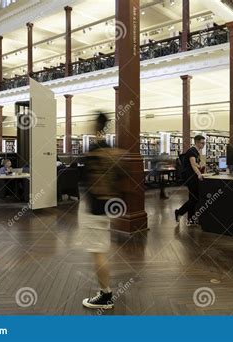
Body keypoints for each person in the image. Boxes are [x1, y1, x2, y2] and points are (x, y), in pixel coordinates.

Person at [82, 112, 125, 310]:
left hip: (94, 207)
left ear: (95, 127)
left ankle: (106, 295)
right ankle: (104, 291)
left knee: (98, 252)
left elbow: (83, 179)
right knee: (100, 249)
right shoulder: (113, 152)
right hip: (107, 205)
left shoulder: (93, 151)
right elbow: (120, 179)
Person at [175, 135, 205, 225]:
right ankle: (179, 212)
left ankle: (191, 220)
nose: (203, 144)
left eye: (204, 143)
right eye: (202, 143)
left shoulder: (196, 151)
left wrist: (200, 166)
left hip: (192, 176)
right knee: (194, 199)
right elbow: (193, 164)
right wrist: (199, 174)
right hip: (190, 177)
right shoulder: (192, 151)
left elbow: (196, 164)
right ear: (197, 142)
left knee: (193, 198)